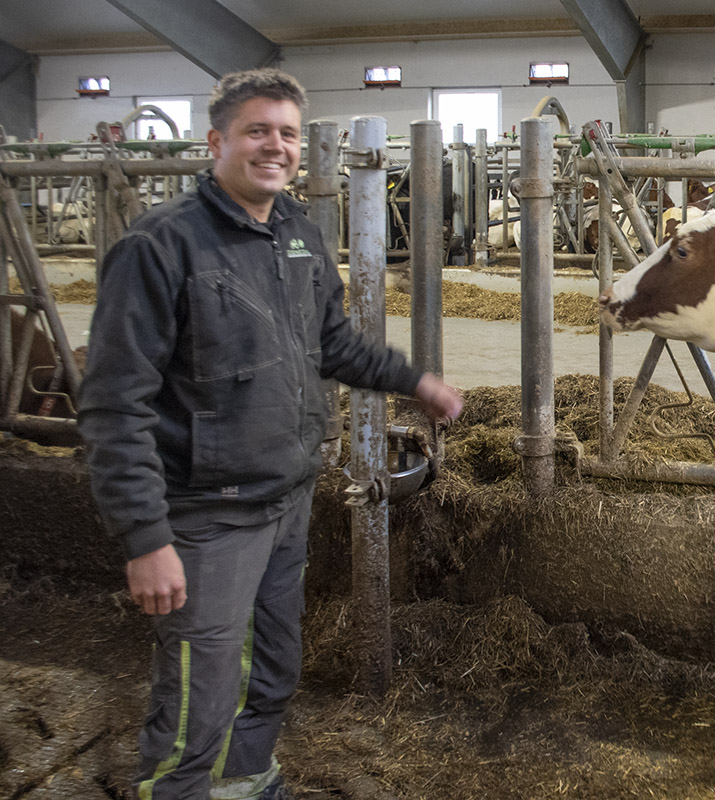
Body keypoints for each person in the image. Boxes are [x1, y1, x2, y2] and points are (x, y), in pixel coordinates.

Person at [78, 68, 462, 799]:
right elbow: (113, 406)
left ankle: (245, 781)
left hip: (286, 497)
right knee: (198, 697)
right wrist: (145, 538)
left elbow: (333, 343)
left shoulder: (297, 233)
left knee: (273, 669)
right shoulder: (161, 245)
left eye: (287, 133)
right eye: (257, 130)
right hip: (206, 515)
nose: (275, 146)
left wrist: (415, 381)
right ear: (216, 141)